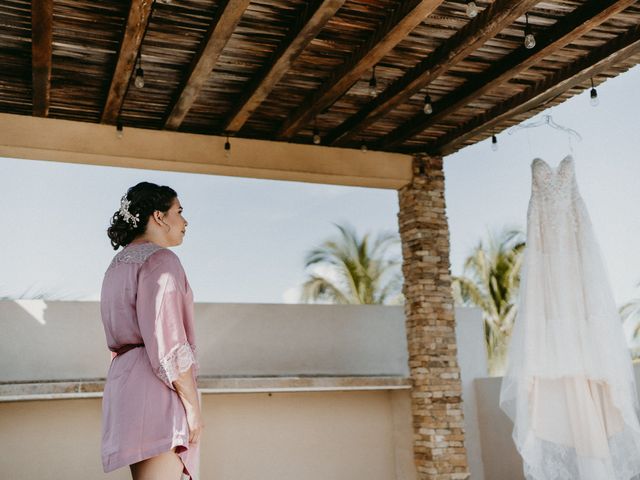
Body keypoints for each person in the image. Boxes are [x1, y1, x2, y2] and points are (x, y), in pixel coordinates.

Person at [100, 181, 202, 480]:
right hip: (156, 389)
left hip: (124, 386)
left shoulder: (115, 265)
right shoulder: (161, 260)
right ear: (159, 216)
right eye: (179, 212)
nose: (184, 221)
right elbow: (169, 343)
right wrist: (193, 409)